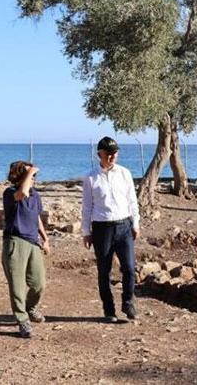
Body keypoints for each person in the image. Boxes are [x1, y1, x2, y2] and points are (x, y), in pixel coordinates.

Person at [82, 136, 140, 323]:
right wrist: (86, 232)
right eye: (108, 153)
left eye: (115, 153)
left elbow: (132, 200)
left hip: (124, 225)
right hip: (102, 228)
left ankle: (128, 302)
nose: (112, 156)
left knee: (129, 268)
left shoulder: (124, 173)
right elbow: (87, 207)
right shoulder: (91, 178)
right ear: (99, 154)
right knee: (104, 270)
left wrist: (136, 223)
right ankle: (109, 310)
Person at [2, 161, 50, 338]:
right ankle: (22, 320)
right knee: (17, 286)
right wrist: (30, 172)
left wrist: (45, 238)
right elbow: (21, 193)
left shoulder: (35, 194)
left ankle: (30, 308)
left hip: (33, 242)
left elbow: (36, 217)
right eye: (31, 175)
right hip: (15, 241)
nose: (34, 178)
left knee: (39, 283)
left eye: (35, 175)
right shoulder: (10, 193)